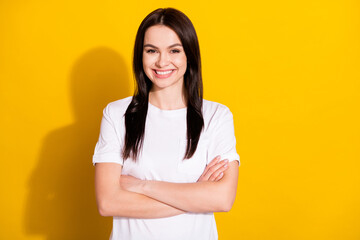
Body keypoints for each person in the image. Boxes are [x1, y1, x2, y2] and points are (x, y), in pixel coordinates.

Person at [92, 7, 240, 240]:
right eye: (152, 50)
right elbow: (108, 202)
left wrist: (142, 186)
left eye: (174, 50)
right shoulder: (117, 114)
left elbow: (222, 199)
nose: (162, 61)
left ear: (188, 55)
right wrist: (196, 196)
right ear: (141, 56)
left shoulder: (216, 116)